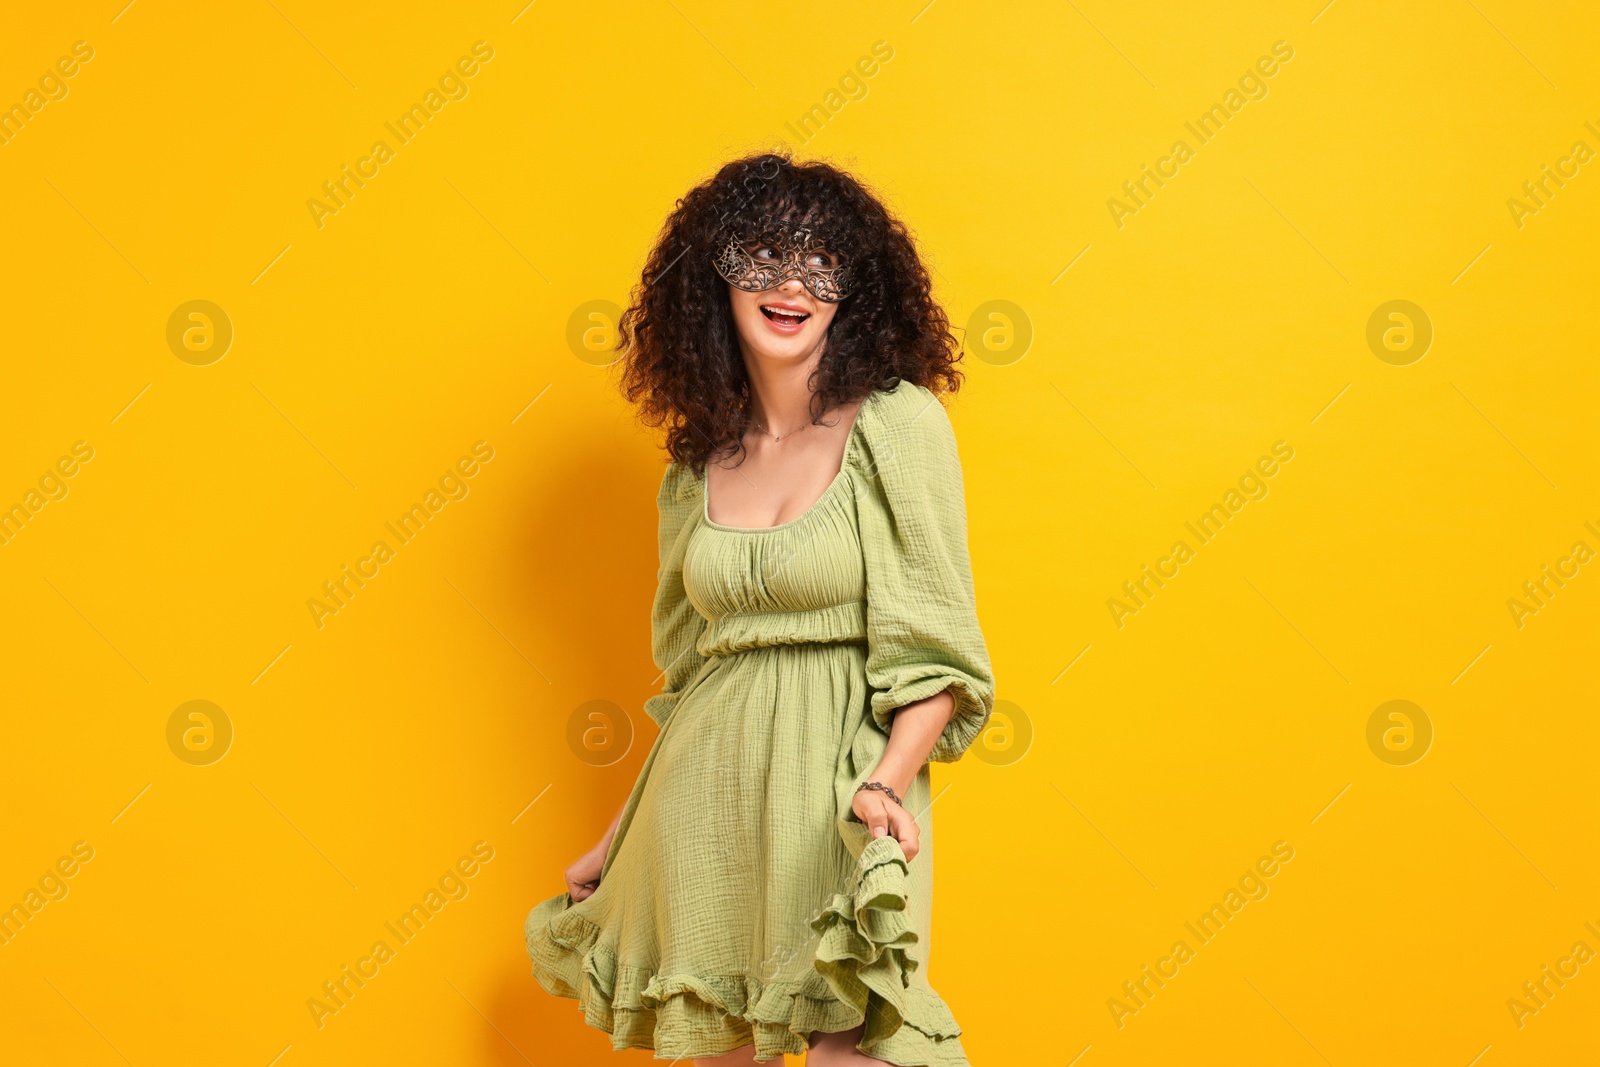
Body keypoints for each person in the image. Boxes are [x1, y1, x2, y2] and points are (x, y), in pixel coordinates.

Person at [524, 151, 996, 1066]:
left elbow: (941, 655)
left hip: (840, 794)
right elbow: (689, 678)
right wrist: (619, 839)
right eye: (765, 254)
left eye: (823, 261)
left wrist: (885, 785)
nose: (793, 283)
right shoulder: (697, 463)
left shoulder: (895, 425)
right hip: (699, 802)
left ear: (855, 288)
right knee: (714, 1050)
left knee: (852, 1044)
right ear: (715, 276)